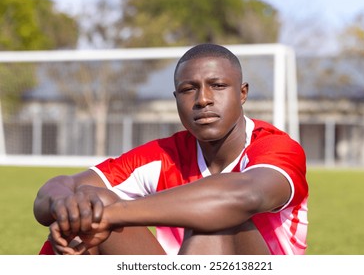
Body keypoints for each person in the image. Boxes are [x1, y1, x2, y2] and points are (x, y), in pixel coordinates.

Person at [33, 43, 308, 255]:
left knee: (218, 219)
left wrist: (110, 215)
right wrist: (65, 207)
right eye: (189, 89)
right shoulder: (166, 154)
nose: (203, 99)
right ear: (176, 98)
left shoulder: (276, 146)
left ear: (242, 93)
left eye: (218, 86)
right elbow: (59, 188)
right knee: (87, 208)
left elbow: (243, 195)